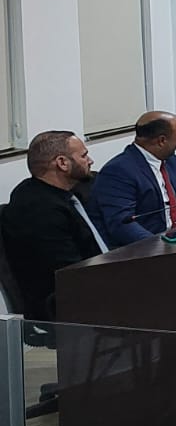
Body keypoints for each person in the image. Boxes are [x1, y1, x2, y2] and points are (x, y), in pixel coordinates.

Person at [1, 131, 108, 325]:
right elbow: (70, 273)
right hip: (68, 305)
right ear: (62, 163)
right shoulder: (39, 210)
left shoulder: (62, 192)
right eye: (84, 156)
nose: (90, 161)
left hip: (92, 284)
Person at [89, 111, 176, 247]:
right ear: (162, 141)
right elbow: (122, 224)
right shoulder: (118, 171)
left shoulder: (172, 161)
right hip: (150, 247)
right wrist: (162, 246)